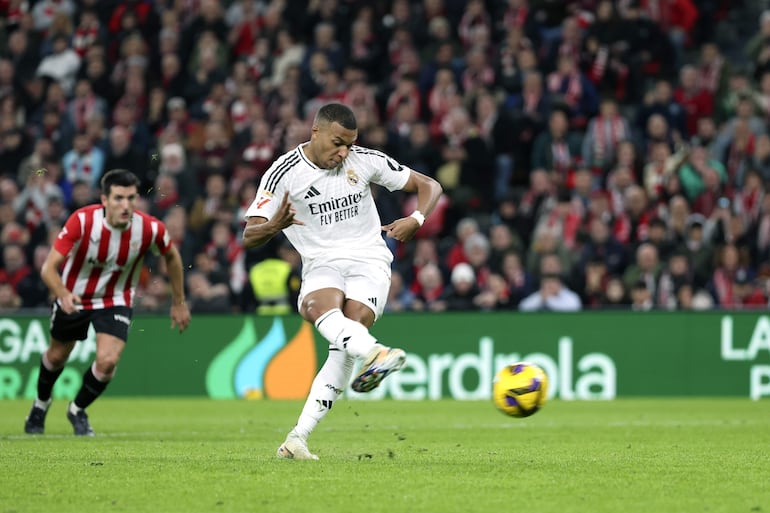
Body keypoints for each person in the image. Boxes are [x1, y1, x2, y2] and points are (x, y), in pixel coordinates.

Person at [242, 103, 442, 460]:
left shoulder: (364, 160)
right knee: (319, 310)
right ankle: (375, 354)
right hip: (322, 263)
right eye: (337, 143)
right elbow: (250, 235)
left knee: (347, 335)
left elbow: (430, 185)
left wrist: (417, 217)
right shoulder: (283, 174)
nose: (344, 152)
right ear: (315, 132)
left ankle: (298, 437)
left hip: (369, 260)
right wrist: (274, 225)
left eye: (350, 144)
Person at [24, 169, 191, 436]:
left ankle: (77, 410)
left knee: (108, 360)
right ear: (104, 200)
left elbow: (171, 255)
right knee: (56, 357)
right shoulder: (82, 221)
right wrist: (63, 293)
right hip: (74, 296)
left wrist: (179, 301)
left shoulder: (149, 228)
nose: (126, 206)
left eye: (131, 198)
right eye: (118, 198)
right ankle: (40, 404)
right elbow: (48, 268)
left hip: (116, 299)